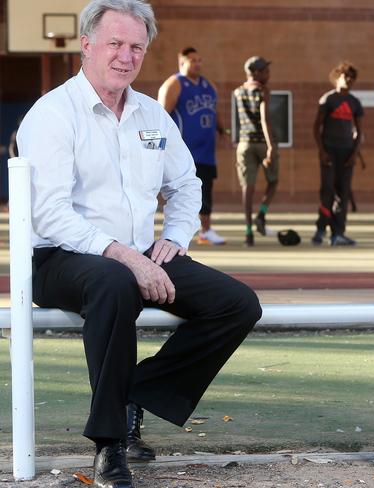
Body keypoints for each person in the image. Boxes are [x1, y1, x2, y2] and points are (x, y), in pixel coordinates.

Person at [17, 2, 261, 487]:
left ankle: (134, 393)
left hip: (140, 254)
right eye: (115, 44)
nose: (126, 56)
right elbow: (49, 212)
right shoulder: (52, 114)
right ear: (86, 45)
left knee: (237, 304)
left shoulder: (151, 113)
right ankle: (111, 445)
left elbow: (187, 185)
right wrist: (123, 254)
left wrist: (173, 238)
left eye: (137, 47)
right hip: (62, 258)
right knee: (114, 283)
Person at [158, 46, 227, 245]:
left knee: (206, 190)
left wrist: (224, 131)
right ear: (182, 63)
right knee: (180, 192)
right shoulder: (174, 84)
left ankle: (205, 230)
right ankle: (175, 232)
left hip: (206, 150)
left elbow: (215, 112)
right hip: (184, 151)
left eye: (199, 60)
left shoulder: (208, 86)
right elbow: (160, 117)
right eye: (193, 60)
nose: (197, 64)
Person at [311, 61, 364, 246]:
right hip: (329, 151)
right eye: (345, 76)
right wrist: (322, 151)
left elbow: (359, 131)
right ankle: (320, 229)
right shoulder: (328, 99)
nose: (348, 80)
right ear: (337, 77)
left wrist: (354, 153)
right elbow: (316, 127)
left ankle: (338, 233)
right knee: (327, 191)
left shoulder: (354, 103)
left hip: (346, 152)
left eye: (352, 78)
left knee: (343, 193)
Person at [233, 56, 278, 247]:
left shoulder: (238, 92)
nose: (268, 74)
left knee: (247, 188)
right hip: (261, 142)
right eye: (265, 71)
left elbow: (239, 119)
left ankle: (248, 232)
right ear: (257, 73)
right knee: (273, 181)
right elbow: (265, 119)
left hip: (244, 144)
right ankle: (261, 214)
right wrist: (271, 147)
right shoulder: (263, 91)